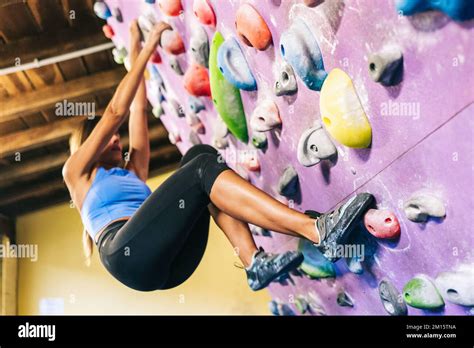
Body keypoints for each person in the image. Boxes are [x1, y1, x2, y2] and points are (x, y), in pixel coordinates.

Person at [63, 20, 374, 292]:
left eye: (116, 137)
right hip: (127, 255)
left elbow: (136, 108)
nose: (117, 138)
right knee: (200, 169)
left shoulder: (132, 171)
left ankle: (254, 263)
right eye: (106, 137)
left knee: (201, 155)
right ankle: (317, 230)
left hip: (170, 263)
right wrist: (149, 48)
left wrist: (134, 45)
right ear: (86, 143)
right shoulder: (76, 174)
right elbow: (116, 111)